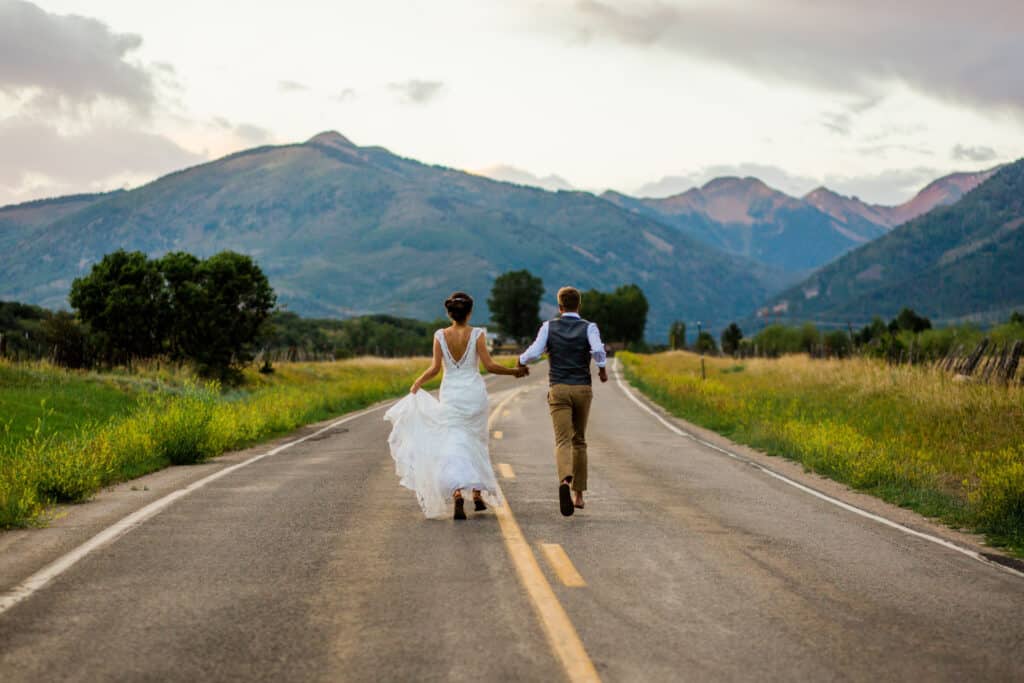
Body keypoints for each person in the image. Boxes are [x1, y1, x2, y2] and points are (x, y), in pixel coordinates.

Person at [384, 292, 527, 520]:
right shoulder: (477, 334)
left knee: (454, 442)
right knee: (477, 442)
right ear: (469, 312)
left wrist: (417, 383)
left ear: (449, 313)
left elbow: (434, 368)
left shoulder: (440, 335)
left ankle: (458, 492)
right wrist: (514, 372)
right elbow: (489, 366)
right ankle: (478, 495)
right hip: (473, 394)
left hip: (450, 393)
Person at [518, 286, 607, 516]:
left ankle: (565, 481)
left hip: (558, 387)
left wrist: (521, 360)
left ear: (559, 307)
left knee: (562, 440)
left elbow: (535, 352)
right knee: (580, 440)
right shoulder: (590, 327)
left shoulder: (549, 326)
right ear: (579, 305)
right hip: (582, 388)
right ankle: (578, 495)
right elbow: (598, 350)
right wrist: (602, 369)